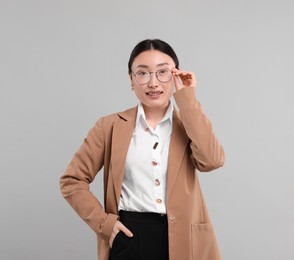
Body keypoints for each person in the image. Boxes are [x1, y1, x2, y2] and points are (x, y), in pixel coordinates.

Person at [60, 39, 225, 260]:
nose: (153, 83)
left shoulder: (189, 125)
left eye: (163, 72)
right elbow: (72, 180)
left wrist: (187, 98)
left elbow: (212, 160)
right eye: (143, 73)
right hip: (129, 235)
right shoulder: (108, 126)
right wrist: (105, 224)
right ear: (131, 79)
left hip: (183, 237)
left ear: (175, 76)